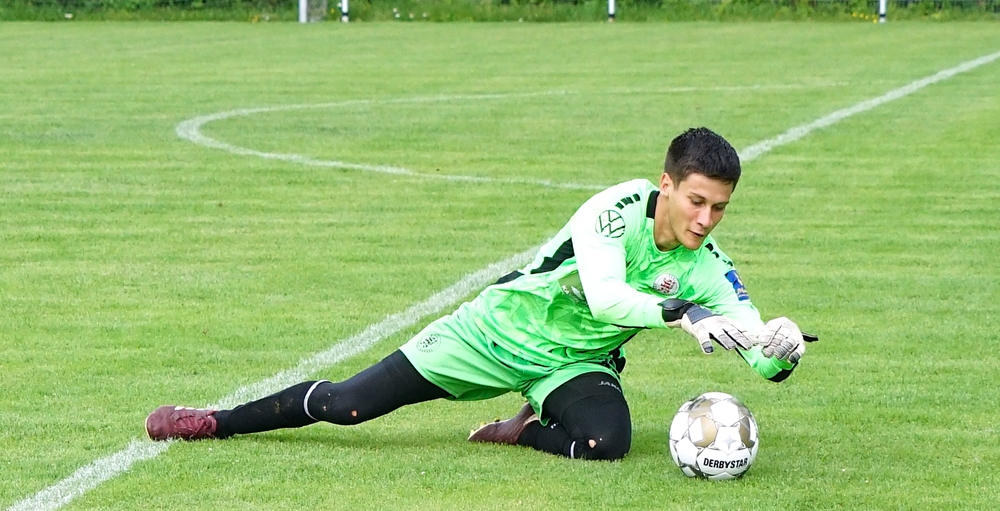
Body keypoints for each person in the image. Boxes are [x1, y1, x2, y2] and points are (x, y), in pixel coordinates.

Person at [146, 127, 813, 461]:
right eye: (697, 201)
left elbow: (757, 347)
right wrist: (682, 313)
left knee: (607, 445)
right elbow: (608, 298)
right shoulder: (612, 211)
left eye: (719, 208)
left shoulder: (708, 267)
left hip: (571, 363)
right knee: (347, 406)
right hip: (489, 334)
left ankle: (522, 429)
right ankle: (214, 420)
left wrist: (778, 349)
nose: (705, 219)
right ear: (666, 185)